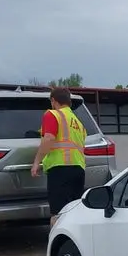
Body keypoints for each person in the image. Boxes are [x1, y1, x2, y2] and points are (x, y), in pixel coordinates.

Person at [31, 87, 87, 227]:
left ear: (53, 101)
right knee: (73, 212)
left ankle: (56, 246)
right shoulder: (77, 122)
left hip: (60, 169)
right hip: (79, 170)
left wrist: (36, 162)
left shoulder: (52, 115)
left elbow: (49, 138)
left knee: (58, 215)